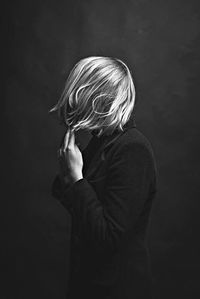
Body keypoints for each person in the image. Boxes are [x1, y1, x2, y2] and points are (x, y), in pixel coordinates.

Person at [50, 56, 157, 299]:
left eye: (80, 94)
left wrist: (76, 178)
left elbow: (109, 237)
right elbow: (81, 208)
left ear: (98, 97)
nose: (74, 101)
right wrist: (68, 172)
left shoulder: (132, 149)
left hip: (118, 289)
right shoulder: (103, 143)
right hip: (90, 285)